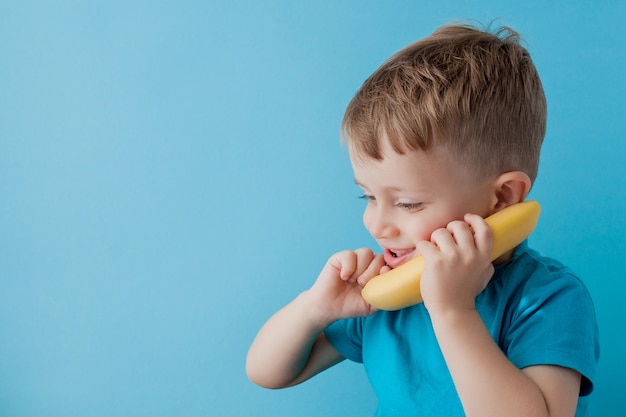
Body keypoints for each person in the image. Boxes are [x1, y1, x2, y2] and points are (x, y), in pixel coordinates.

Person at [246, 23, 599, 417]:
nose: (377, 224)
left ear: (501, 198)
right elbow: (268, 372)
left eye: (409, 204)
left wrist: (453, 311)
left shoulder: (548, 299)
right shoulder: (386, 295)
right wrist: (315, 308)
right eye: (368, 196)